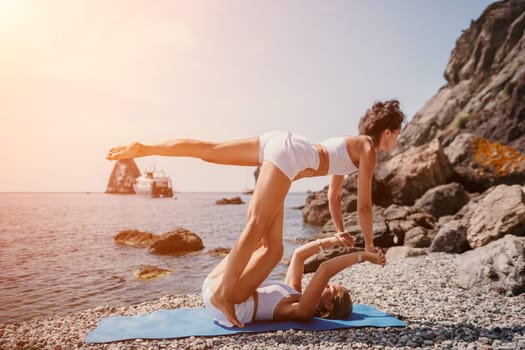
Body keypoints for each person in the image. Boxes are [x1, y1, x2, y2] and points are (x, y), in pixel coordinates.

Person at [106, 99, 406, 327]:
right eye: (397, 136)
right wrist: (368, 246)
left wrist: (339, 230)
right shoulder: (367, 149)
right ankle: (224, 294)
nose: (396, 141)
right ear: (388, 133)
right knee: (257, 226)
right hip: (292, 157)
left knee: (209, 150)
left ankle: (145, 148)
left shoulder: (350, 144)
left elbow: (334, 195)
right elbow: (364, 205)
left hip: (281, 141)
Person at [203, 232, 386, 326]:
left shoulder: (302, 310)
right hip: (214, 285)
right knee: (261, 237)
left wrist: (363, 256)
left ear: (329, 305)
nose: (327, 284)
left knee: (274, 251)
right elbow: (298, 255)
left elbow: (324, 270)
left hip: (232, 306)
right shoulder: (293, 291)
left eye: (331, 288)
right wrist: (333, 239)